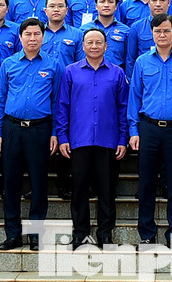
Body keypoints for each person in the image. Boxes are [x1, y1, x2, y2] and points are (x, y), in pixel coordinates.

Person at [128, 14, 172, 246]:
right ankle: (147, 234)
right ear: (152, 33)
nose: (162, 35)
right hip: (148, 128)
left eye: (166, 31)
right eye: (157, 31)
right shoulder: (142, 61)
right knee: (146, 183)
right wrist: (133, 130)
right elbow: (135, 98)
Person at [56, 27, 129, 248]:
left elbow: (123, 108)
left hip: (108, 140)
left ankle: (105, 233)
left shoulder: (117, 72)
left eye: (99, 42)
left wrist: (123, 138)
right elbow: (62, 106)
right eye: (90, 43)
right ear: (83, 46)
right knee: (79, 190)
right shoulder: (70, 72)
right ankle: (80, 233)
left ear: (106, 46)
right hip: (79, 139)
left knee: (107, 190)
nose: (94, 46)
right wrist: (62, 136)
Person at [0, 18, 62, 250]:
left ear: (43, 37)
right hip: (12, 128)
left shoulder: (53, 64)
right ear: (20, 37)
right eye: (28, 34)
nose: (32, 38)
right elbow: (0, 99)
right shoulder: (9, 64)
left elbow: (57, 102)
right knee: (10, 183)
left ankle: (35, 235)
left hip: (40, 129)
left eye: (37, 34)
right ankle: (12, 234)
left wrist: (55, 133)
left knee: (38, 182)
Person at [90, 0, 130, 66]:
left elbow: (129, 58)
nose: (106, 5)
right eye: (102, 2)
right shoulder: (84, 29)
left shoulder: (126, 31)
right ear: (96, 6)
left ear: (115, 7)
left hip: (116, 74)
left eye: (110, 2)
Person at [42, 0, 85, 65]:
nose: (56, 10)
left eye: (60, 6)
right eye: (52, 6)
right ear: (45, 11)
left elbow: (80, 63)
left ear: (67, 10)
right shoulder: (37, 33)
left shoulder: (77, 34)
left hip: (68, 75)